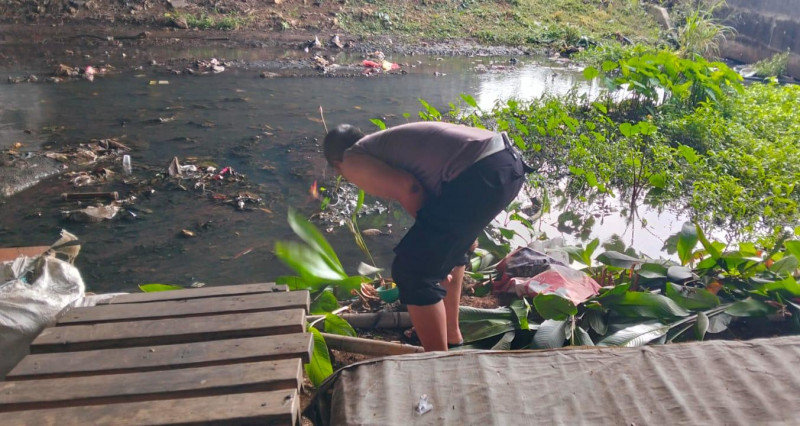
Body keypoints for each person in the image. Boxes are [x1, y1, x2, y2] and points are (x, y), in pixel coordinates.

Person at [323, 121, 526, 351]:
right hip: (506, 165)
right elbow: (430, 196)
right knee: (448, 251)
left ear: (336, 164)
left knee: (412, 270)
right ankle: (451, 336)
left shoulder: (350, 158)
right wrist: (449, 245)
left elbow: (409, 189)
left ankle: (437, 362)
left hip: (482, 171)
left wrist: (432, 251)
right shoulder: (382, 144)